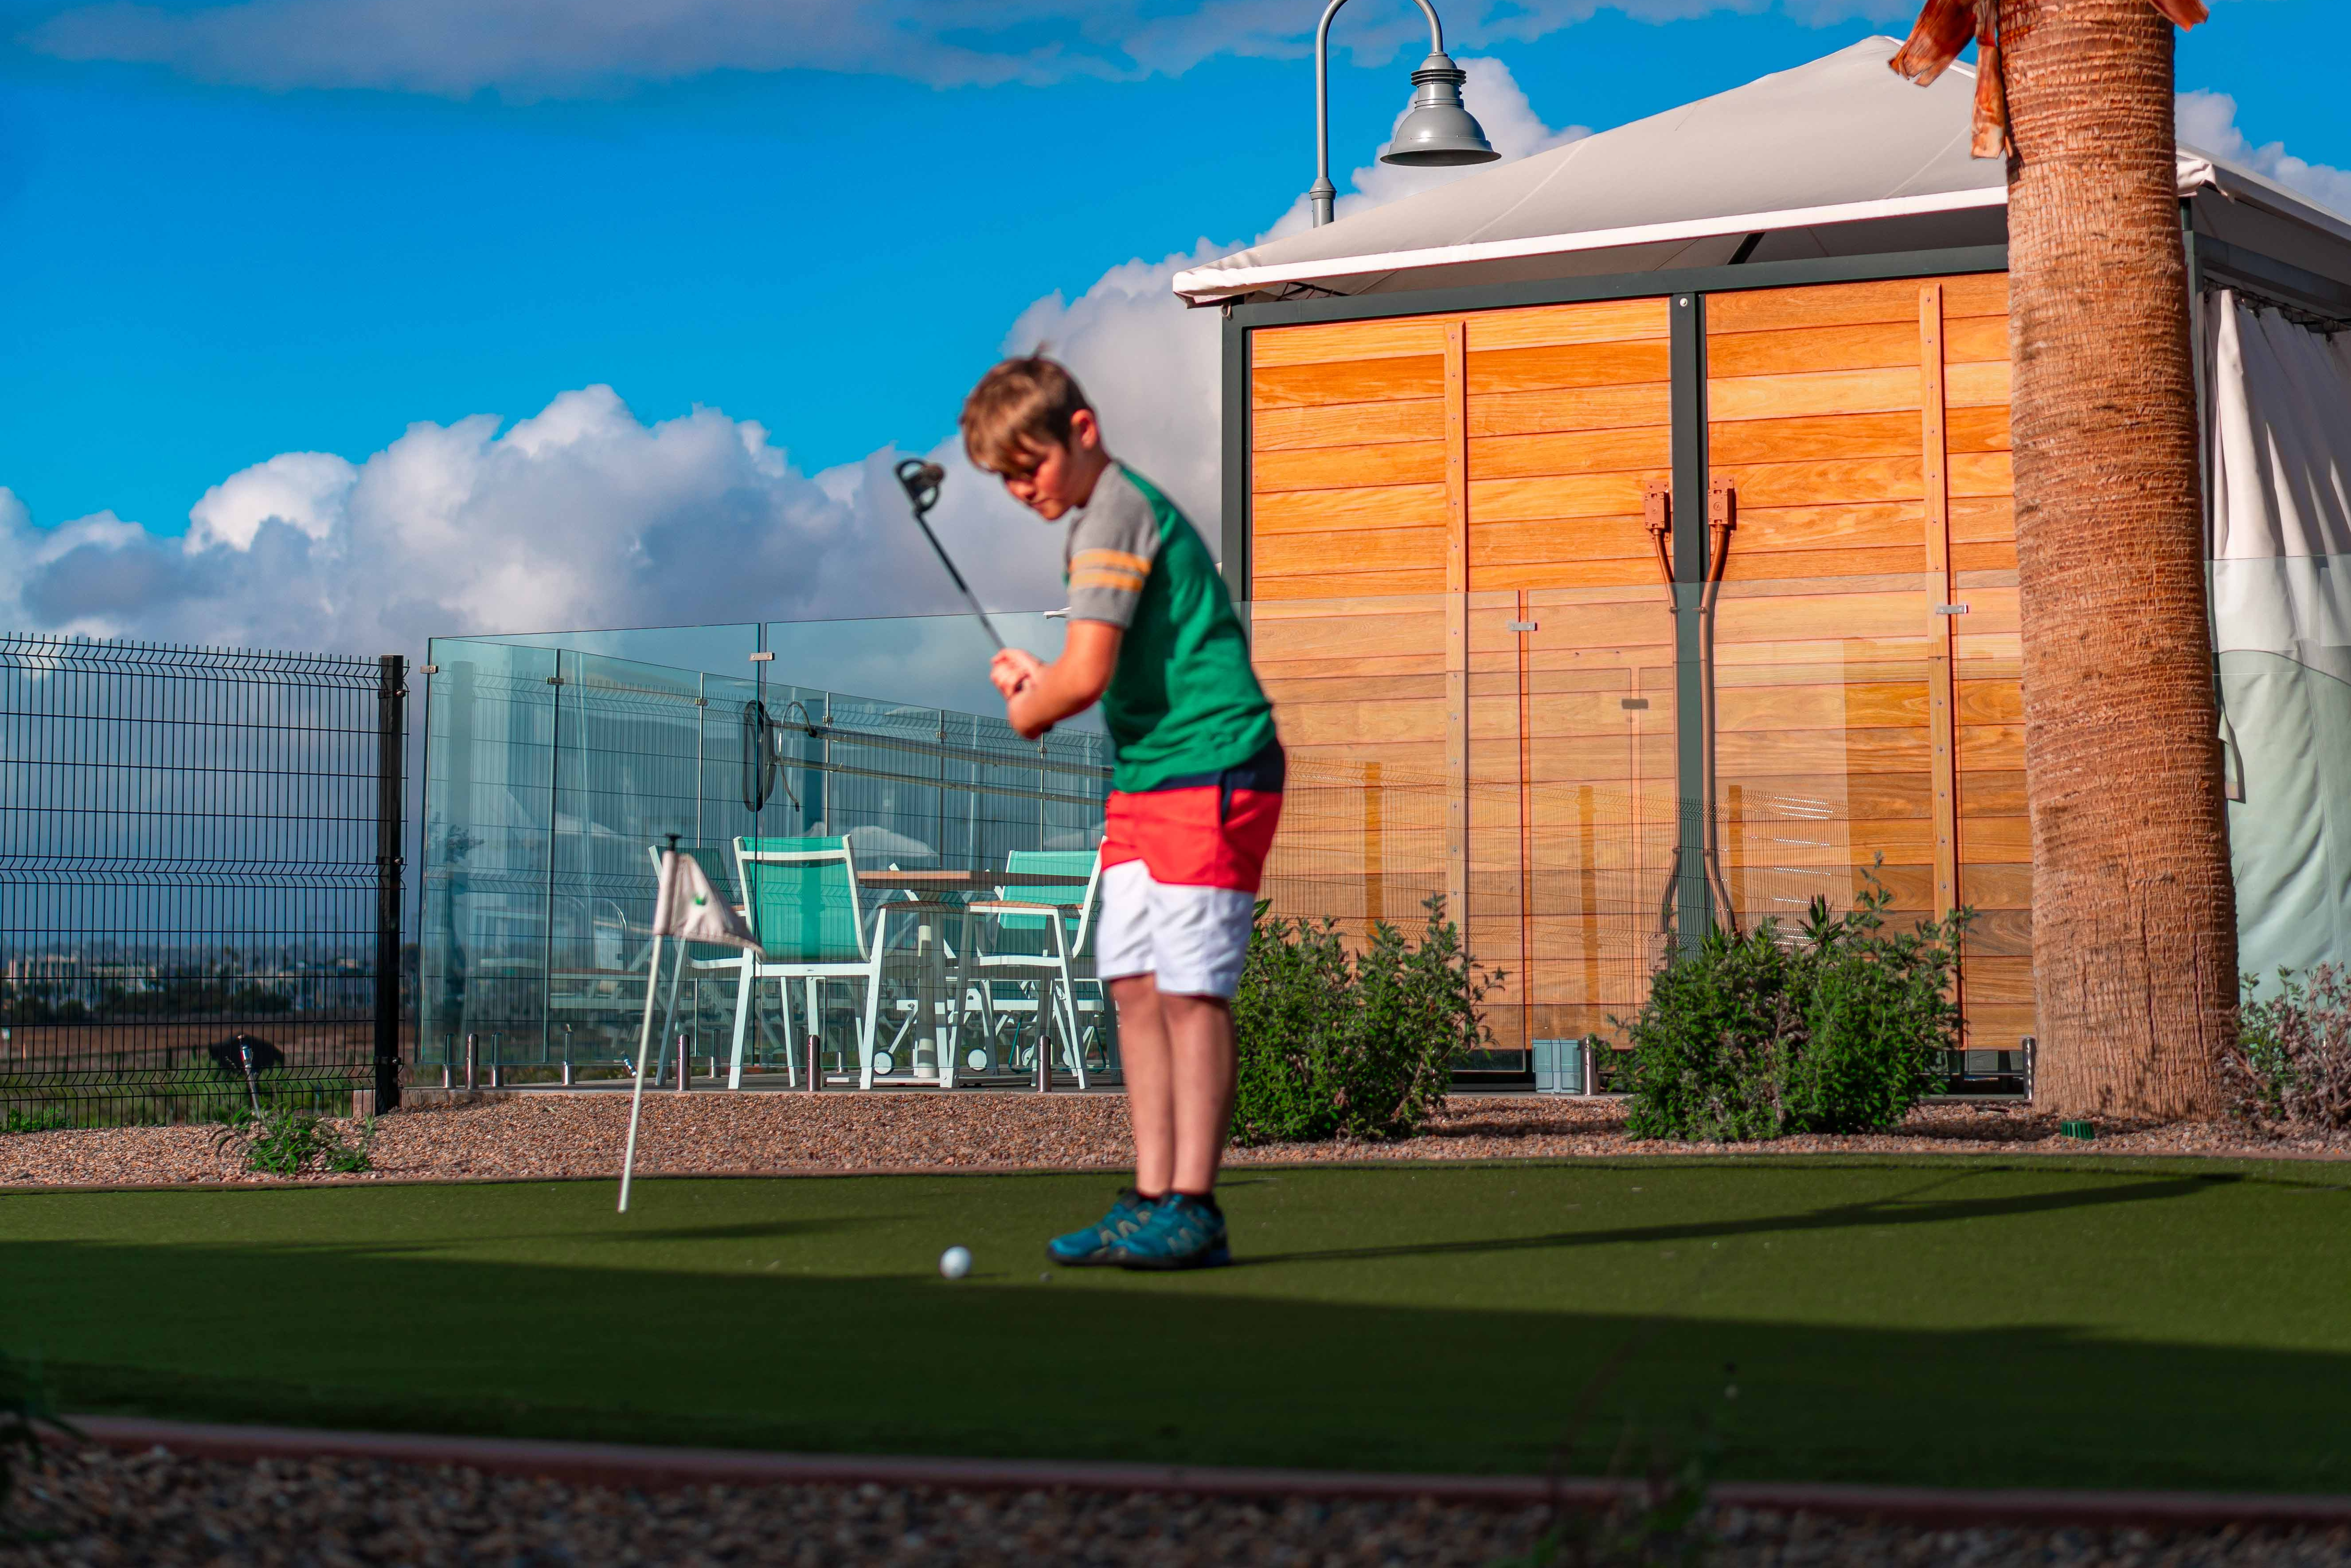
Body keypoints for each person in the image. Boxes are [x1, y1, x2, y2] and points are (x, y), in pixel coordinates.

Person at [961, 356, 1282, 1271]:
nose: (1023, 489)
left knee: (1188, 990)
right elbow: (1085, 665)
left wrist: (1033, 701)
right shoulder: (1090, 524)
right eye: (1007, 479)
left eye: (1032, 467)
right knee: (1134, 985)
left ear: (1083, 431)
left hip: (1214, 764)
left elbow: (1086, 674)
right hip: (1147, 778)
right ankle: (1148, 1198)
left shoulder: (1115, 511)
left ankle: (1195, 1205)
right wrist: (1044, 682)